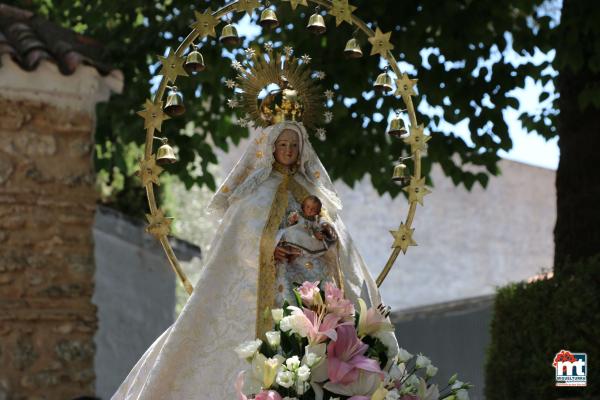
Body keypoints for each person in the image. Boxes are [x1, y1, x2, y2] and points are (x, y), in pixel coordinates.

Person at [112, 121, 397, 400]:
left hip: (318, 296)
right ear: (271, 149)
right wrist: (268, 248)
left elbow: (340, 243)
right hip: (265, 293)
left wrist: (327, 236)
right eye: (282, 145)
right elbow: (238, 241)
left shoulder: (313, 195)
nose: (288, 151)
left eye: (293, 145)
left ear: (302, 150)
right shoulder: (254, 194)